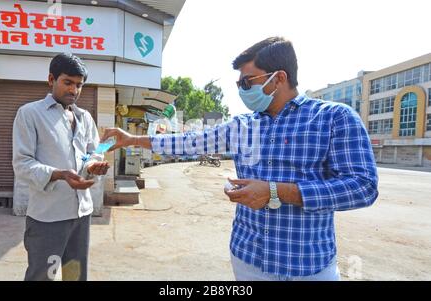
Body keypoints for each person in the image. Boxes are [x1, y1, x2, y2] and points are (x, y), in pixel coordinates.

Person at [100, 37, 379, 281]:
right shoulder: (242, 125)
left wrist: (276, 191)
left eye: (248, 81)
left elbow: (363, 187)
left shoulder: (334, 118)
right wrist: (133, 139)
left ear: (279, 78)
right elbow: (190, 141)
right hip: (248, 259)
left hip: (308, 266)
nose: (242, 89)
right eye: (239, 82)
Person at [12, 53, 110, 281]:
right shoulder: (30, 114)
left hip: (81, 214)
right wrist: (60, 174)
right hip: (48, 218)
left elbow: (92, 152)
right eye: (68, 82)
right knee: (42, 276)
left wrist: (94, 165)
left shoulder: (84, 117)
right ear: (51, 79)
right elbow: (22, 163)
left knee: (75, 276)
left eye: (79, 85)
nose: (74, 90)